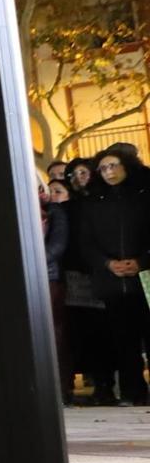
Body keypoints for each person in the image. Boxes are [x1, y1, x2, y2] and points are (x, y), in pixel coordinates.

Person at [78, 146, 149, 405]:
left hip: (145, 277)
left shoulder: (143, 196)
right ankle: (133, 392)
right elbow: (86, 243)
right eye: (104, 168)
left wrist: (141, 262)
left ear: (126, 166)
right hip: (111, 280)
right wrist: (107, 264)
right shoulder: (94, 203)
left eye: (113, 165)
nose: (109, 172)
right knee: (123, 339)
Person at [44, 177, 77, 401]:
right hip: (23, 276)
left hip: (49, 275)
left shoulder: (54, 212)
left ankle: (61, 386)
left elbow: (57, 243)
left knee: (55, 332)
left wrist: (33, 260)